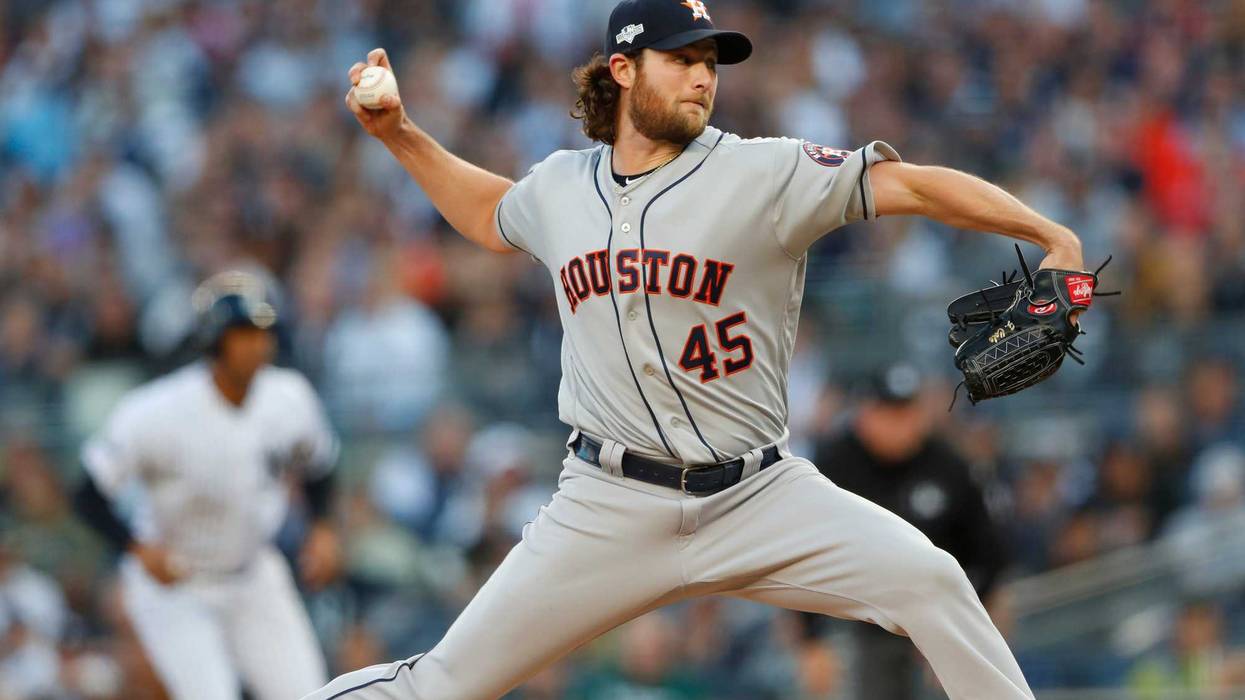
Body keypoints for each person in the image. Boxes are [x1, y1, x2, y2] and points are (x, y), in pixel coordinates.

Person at [311, 0, 1092, 697]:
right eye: (681, 58)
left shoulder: (764, 170)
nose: (701, 77)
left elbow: (913, 186)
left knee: (931, 579)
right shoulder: (558, 187)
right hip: (608, 504)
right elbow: (491, 214)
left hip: (757, 493)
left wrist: (1047, 233)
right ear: (621, 70)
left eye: (709, 62)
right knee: (442, 683)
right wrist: (401, 135)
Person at [74, 270, 341, 700]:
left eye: (262, 332)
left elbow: (321, 465)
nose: (258, 344)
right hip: (179, 585)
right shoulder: (156, 412)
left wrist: (323, 527)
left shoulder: (289, 397)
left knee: (309, 694)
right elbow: (87, 493)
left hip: (255, 573)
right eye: (243, 333)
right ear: (214, 342)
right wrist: (137, 548)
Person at [814, 363, 1009, 699]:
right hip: (858, 621)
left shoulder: (949, 465)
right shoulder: (834, 464)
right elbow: (804, 549)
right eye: (887, 412)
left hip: (939, 618)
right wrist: (811, 641)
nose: (899, 423)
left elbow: (990, 555)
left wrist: (968, 636)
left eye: (906, 411)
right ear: (864, 414)